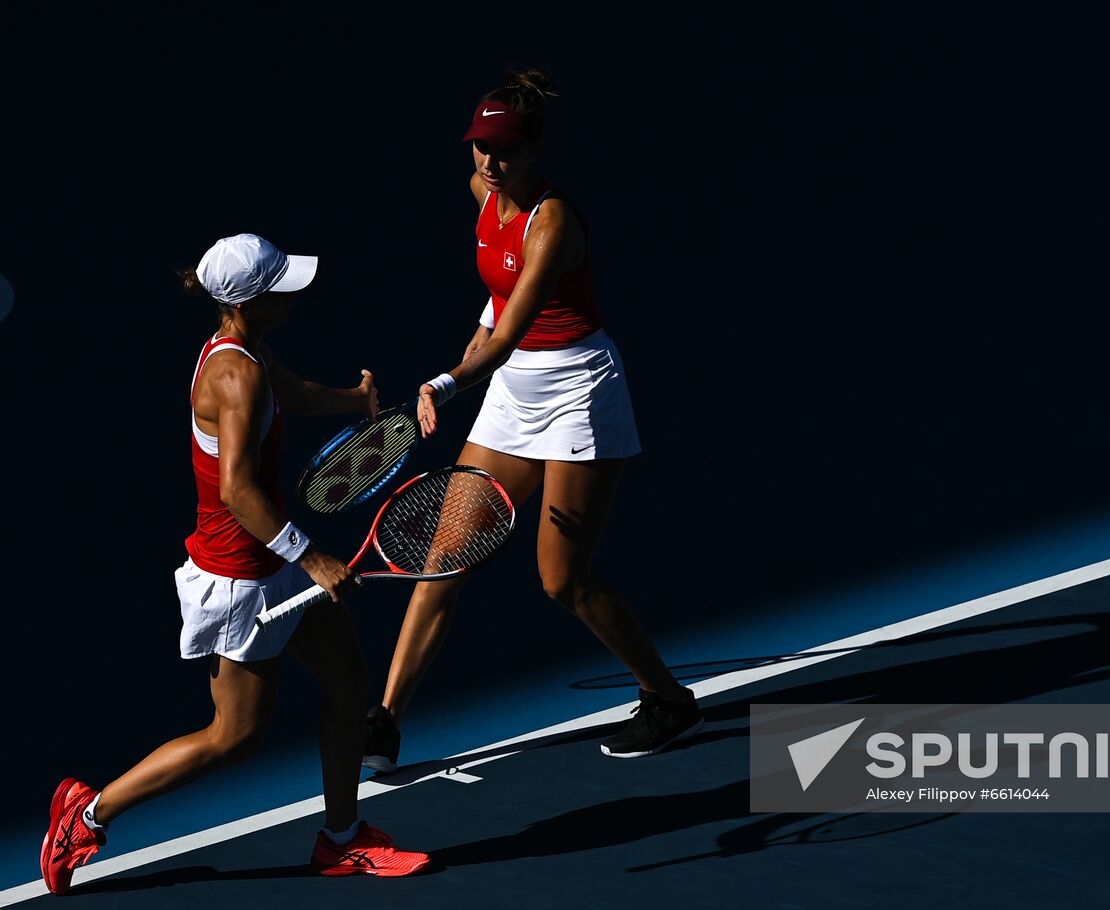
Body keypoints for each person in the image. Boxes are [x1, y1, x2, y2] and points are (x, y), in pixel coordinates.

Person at [40, 234, 430, 895]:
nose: (293, 295)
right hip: (240, 579)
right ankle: (89, 814)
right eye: (282, 286)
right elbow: (237, 491)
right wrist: (311, 559)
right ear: (252, 301)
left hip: (267, 560)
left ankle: (341, 841)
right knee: (236, 736)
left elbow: (295, 392)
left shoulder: (248, 349)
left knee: (348, 679)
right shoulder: (234, 375)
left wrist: (351, 400)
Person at [363, 68, 703, 771]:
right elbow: (496, 304)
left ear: (535, 150)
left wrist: (446, 380)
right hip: (513, 390)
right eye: (480, 147)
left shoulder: (553, 222)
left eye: (504, 150)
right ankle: (385, 721)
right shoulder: (479, 195)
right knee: (444, 558)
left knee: (562, 581)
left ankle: (667, 698)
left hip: (579, 390)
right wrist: (472, 342)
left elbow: (517, 326)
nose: (490, 161)